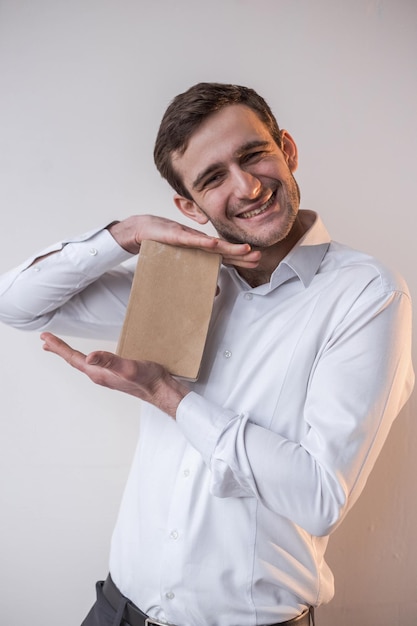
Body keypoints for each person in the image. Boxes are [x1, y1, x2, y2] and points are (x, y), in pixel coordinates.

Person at [0, 83, 414, 626]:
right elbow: (18, 304)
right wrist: (125, 235)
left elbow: (319, 497)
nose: (246, 187)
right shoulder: (175, 281)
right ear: (187, 206)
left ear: (286, 149)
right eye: (212, 178)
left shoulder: (365, 294)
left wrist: (167, 396)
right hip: (117, 610)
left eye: (253, 155)